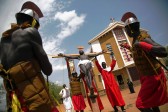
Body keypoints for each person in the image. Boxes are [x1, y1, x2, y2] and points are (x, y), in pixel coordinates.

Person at [0, 1, 58, 112]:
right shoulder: (30, 32)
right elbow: (48, 70)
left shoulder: (2, 41)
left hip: (15, 102)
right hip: (37, 101)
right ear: (32, 22)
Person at [121, 12, 168, 112]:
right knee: (153, 103)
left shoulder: (143, 38)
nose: (126, 32)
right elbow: (139, 52)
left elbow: (163, 51)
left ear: (130, 28)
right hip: (145, 76)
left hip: (153, 76)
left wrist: (143, 44)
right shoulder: (135, 41)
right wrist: (128, 47)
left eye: (126, 29)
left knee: (140, 104)